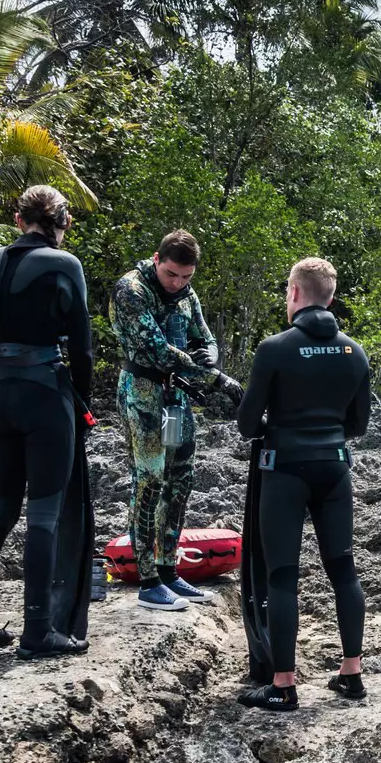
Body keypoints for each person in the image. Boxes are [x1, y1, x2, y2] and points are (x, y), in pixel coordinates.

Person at [0, 185, 96, 659]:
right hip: (44, 392)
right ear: (63, 224)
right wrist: (83, 402)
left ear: (19, 220)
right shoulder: (64, 265)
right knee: (43, 514)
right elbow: (81, 344)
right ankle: (39, 630)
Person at [233, 257, 371, 712]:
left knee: (283, 577)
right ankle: (351, 673)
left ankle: (284, 684)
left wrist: (279, 420)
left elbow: (247, 424)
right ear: (330, 297)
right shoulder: (355, 352)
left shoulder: (274, 348)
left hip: (285, 470)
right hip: (334, 467)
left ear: (294, 293)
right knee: (343, 569)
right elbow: (358, 425)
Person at [111, 230, 238, 611]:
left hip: (177, 396)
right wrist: (219, 380)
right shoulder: (130, 290)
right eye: (171, 274)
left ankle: (169, 570)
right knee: (149, 480)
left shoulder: (186, 293)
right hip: (143, 393)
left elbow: (205, 336)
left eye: (186, 277)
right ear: (156, 259)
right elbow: (155, 350)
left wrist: (209, 358)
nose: (178, 283)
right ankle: (148, 580)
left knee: (181, 478)